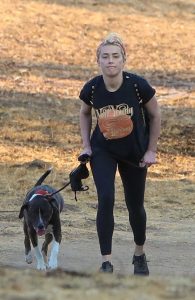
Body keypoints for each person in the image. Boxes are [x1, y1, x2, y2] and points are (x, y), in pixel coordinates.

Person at [78, 33, 161, 275]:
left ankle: (139, 253)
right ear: (98, 61)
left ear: (123, 59)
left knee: (135, 205)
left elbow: (156, 116)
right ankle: (106, 261)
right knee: (106, 198)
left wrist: (151, 150)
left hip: (134, 152)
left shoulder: (137, 86)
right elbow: (84, 113)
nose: (110, 61)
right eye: (105, 57)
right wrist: (86, 145)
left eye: (115, 56)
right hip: (103, 150)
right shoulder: (92, 88)